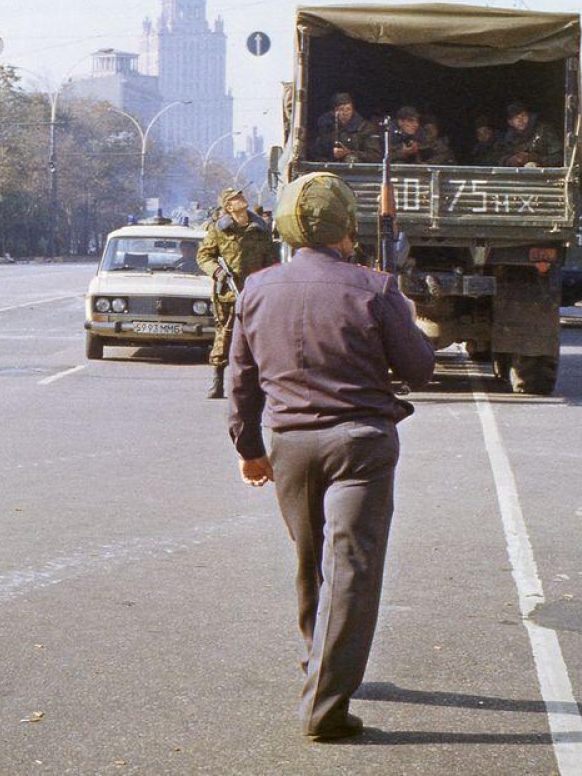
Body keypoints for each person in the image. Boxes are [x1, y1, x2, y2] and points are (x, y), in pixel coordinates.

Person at [228, 172, 435, 742]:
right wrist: (410, 315)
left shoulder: (256, 287)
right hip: (359, 445)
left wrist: (249, 450)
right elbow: (419, 369)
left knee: (311, 560)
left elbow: (239, 381)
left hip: (288, 445)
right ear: (347, 226)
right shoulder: (376, 287)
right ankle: (324, 707)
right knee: (352, 570)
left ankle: (318, 661)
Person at [197, 188, 277, 399]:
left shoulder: (260, 227)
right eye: (234, 198)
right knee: (225, 334)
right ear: (228, 207)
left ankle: (255, 383)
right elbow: (204, 256)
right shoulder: (220, 229)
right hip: (228, 294)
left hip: (254, 293)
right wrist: (218, 271)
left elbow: (271, 259)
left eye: (240, 196)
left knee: (257, 337)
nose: (240, 199)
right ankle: (217, 380)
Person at [315, 92, 382, 163]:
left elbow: (375, 156)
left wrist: (349, 153)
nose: (345, 113)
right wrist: (331, 153)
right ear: (334, 112)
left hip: (358, 170)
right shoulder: (327, 126)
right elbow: (316, 152)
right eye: (341, 109)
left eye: (348, 109)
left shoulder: (365, 128)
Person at [497, 101, 562, 167]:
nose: (521, 121)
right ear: (510, 122)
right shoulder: (508, 138)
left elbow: (559, 157)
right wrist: (511, 161)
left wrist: (537, 160)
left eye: (523, 116)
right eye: (516, 118)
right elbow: (498, 158)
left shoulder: (544, 131)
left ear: (529, 116)